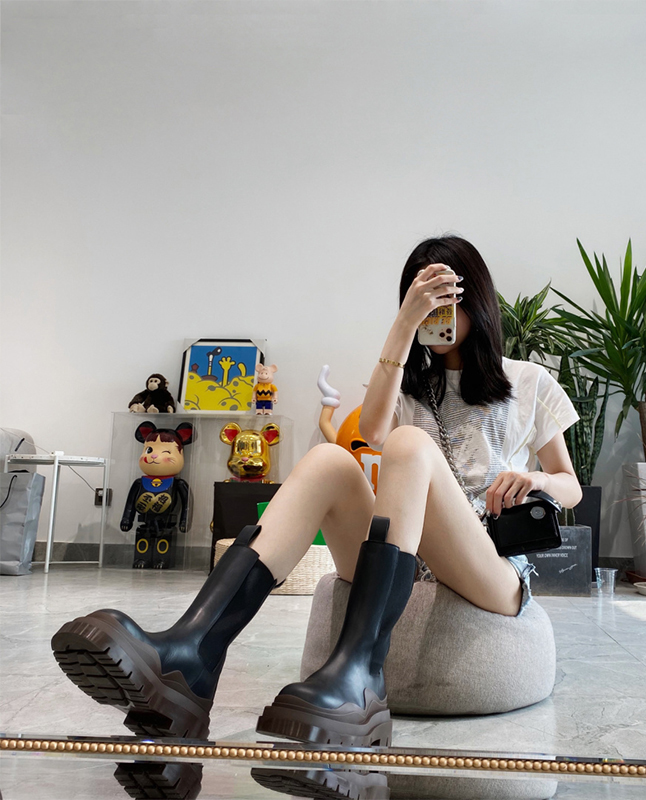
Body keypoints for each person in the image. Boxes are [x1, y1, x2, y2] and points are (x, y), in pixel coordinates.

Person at [51, 235, 581, 749]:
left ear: (476, 301)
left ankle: (361, 676)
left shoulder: (528, 382)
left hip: (489, 564)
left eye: (445, 301)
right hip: (408, 555)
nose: (435, 316)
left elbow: (570, 485)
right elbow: (370, 432)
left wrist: (537, 479)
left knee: (411, 444)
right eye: (421, 302)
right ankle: (192, 654)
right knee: (330, 459)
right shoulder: (408, 384)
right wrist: (403, 326)